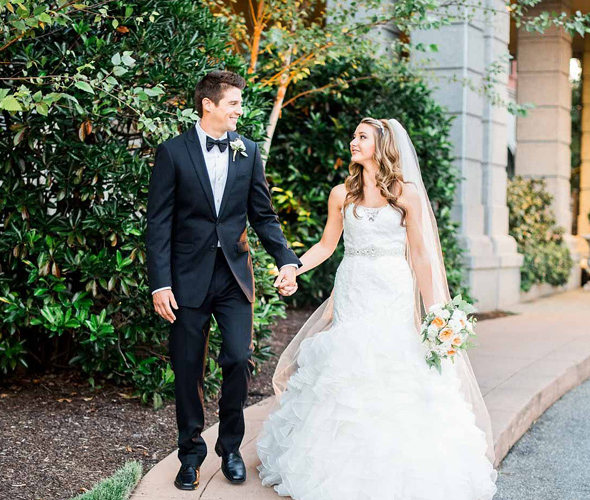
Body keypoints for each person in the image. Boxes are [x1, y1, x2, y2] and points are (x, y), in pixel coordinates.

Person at [255, 117, 498, 500]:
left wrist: (437, 311)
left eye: (362, 136)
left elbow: (420, 255)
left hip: (392, 288)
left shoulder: (406, 194)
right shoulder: (341, 194)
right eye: (353, 135)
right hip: (353, 286)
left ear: (381, 145)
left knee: (393, 361)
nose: (353, 141)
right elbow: (326, 247)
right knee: (347, 361)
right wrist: (294, 268)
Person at [145, 70, 302, 491]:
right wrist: (161, 284)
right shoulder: (173, 153)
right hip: (185, 280)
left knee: (237, 358)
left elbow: (263, 216)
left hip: (234, 277)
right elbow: (158, 224)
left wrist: (288, 260)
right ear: (208, 104)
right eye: (233, 102)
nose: (239, 110)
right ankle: (190, 454)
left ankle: (230, 448)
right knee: (187, 369)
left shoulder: (247, 151)